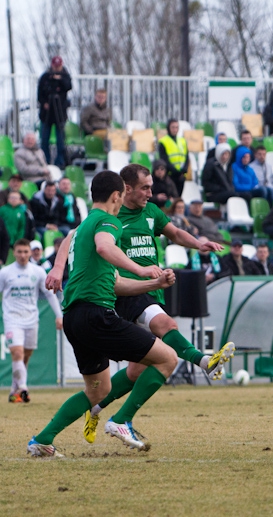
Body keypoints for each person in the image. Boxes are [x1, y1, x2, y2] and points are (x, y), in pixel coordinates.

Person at [46, 165, 235, 445]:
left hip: (139, 289)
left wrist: (198, 243)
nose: (151, 192)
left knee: (136, 372)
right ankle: (203, 361)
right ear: (124, 190)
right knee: (165, 328)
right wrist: (58, 268)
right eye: (145, 187)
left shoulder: (151, 213)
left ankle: (94, 409)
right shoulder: (109, 215)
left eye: (151, 186)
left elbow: (175, 233)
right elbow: (76, 239)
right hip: (120, 292)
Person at [28, 170, 176, 458]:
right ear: (116, 196)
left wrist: (153, 283)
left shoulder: (82, 227)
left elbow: (115, 282)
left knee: (98, 391)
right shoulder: (108, 221)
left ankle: (42, 440)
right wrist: (141, 267)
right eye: (122, 196)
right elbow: (105, 247)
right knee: (167, 358)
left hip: (75, 318)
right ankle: (121, 420)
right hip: (96, 315)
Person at [1, 239, 62, 403]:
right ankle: (23, 388)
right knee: (17, 353)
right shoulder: (5, 272)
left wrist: (59, 315)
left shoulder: (38, 272)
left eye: (25, 252)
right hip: (12, 319)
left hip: (31, 319)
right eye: (19, 252)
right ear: (14, 253)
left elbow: (50, 294)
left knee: (25, 357)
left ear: (30, 253)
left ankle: (15, 389)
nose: (22, 255)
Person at [37, 56, 72, 168]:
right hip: (46, 114)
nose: (56, 68)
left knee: (61, 139)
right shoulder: (45, 77)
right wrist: (44, 103)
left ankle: (60, 161)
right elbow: (39, 94)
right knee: (44, 138)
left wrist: (59, 79)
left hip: (60, 113)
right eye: (55, 66)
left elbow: (68, 87)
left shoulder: (65, 76)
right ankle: (45, 160)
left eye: (59, 66)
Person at [157, 119, 188, 195]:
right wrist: (175, 171)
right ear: (168, 128)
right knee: (171, 198)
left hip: (181, 175)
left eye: (177, 127)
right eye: (173, 127)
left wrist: (184, 170)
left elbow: (186, 157)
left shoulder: (182, 141)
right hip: (170, 175)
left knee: (178, 198)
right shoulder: (163, 141)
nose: (175, 129)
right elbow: (164, 159)